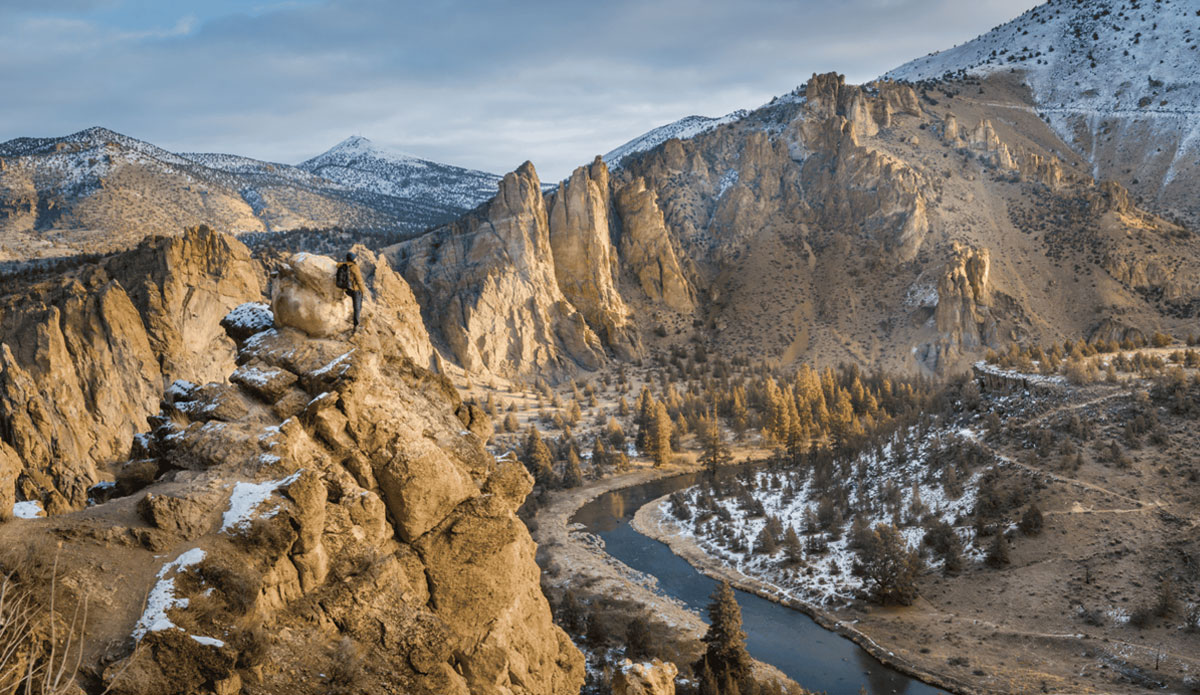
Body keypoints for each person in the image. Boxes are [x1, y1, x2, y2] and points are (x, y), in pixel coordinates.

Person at [335, 252, 366, 331]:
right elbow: (359, 280)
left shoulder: (343, 265)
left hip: (347, 289)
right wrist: (363, 291)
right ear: (353, 259)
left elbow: (337, 265)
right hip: (355, 290)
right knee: (357, 308)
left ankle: (355, 322)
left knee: (356, 306)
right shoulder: (354, 267)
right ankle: (356, 326)